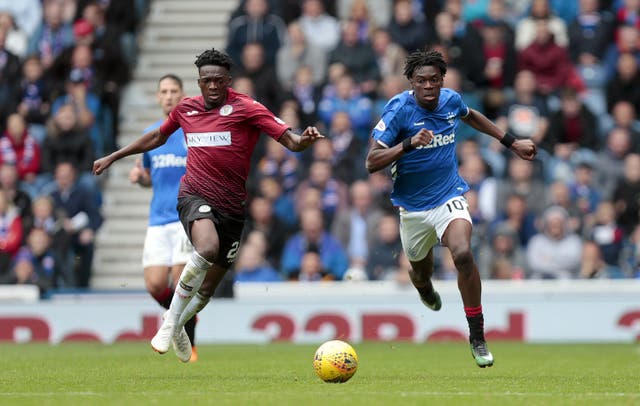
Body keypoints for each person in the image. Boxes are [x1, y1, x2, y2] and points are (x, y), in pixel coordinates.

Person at [93, 47, 323, 363]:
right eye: (206, 81)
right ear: (199, 82)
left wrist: (304, 140)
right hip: (194, 196)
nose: (212, 86)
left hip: (231, 208)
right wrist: (115, 156)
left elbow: (291, 141)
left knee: (206, 291)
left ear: (228, 80)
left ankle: (178, 323)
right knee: (207, 248)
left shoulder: (247, 108)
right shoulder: (186, 109)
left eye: (218, 80)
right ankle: (170, 323)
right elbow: (157, 138)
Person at [365, 49, 536, 368]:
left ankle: (477, 336)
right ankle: (424, 288)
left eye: (434, 80)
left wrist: (511, 142)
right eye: (421, 81)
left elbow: (471, 116)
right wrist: (409, 144)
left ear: (442, 80)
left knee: (462, 254)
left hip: (448, 196)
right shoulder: (399, 109)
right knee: (420, 270)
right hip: (412, 208)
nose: (428, 86)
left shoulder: (451, 100)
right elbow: (371, 161)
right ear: (411, 83)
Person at [127, 74, 198, 362]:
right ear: (158, 97)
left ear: (183, 95)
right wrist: (140, 178)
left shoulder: (192, 133)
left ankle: (190, 345)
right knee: (155, 285)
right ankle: (179, 322)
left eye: (174, 91)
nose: (168, 96)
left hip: (184, 216)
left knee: (180, 280)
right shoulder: (151, 134)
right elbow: (149, 178)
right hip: (157, 218)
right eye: (164, 91)